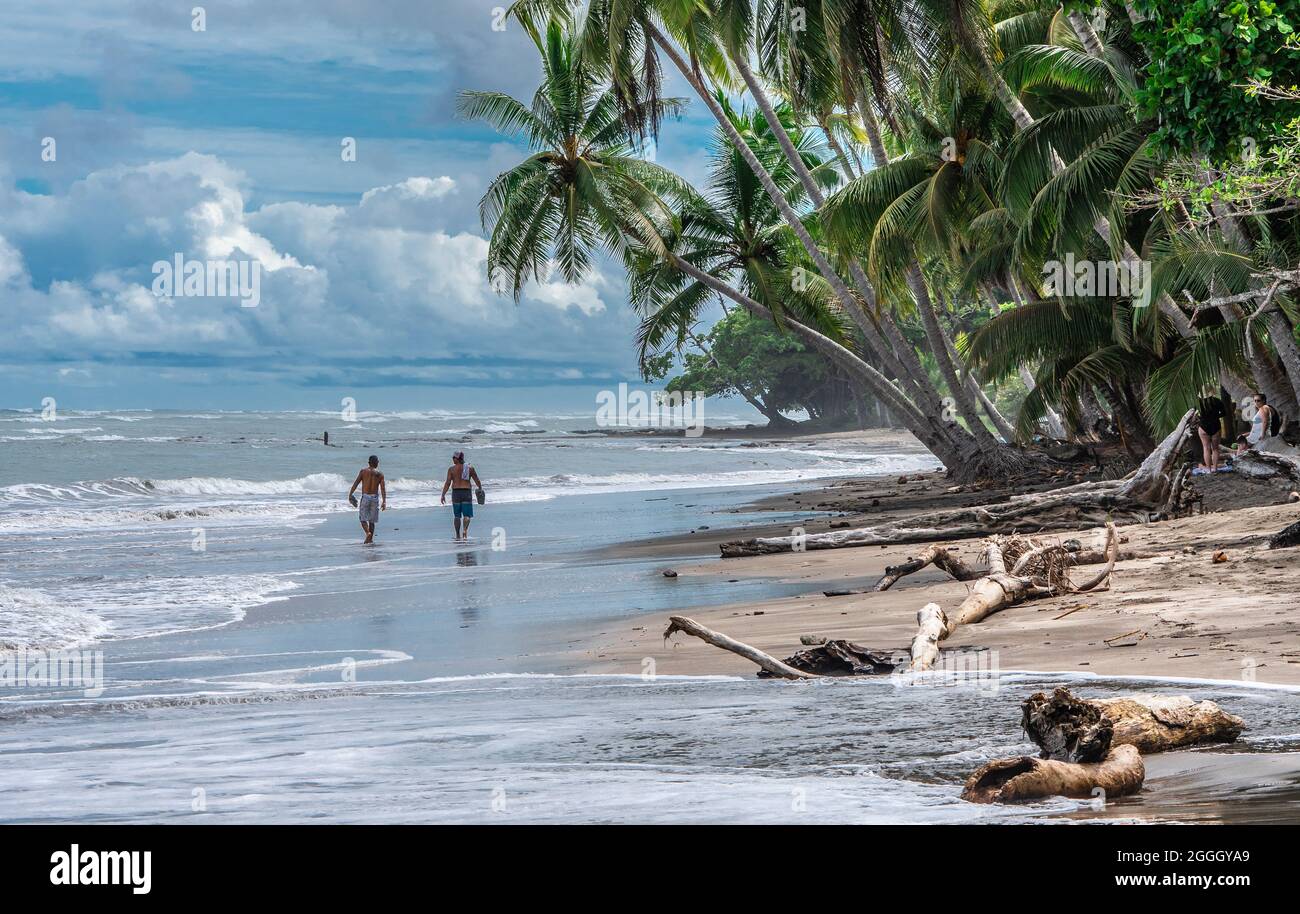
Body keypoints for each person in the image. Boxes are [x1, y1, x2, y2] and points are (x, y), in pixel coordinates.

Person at [440, 450, 483, 541]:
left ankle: (457, 534)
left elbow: (448, 483)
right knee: (466, 515)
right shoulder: (470, 468)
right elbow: (476, 479)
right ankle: (464, 531)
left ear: (458, 458)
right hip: (466, 492)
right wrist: (480, 488)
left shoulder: (451, 469)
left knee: (457, 516)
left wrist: (443, 494)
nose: (452, 459)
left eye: (454, 458)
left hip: (456, 493)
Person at [348, 455, 387, 545]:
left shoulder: (363, 472)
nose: (378, 463)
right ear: (376, 462)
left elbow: (356, 483)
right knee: (372, 521)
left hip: (365, 497)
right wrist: (384, 501)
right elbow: (382, 489)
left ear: (369, 463)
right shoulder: (380, 474)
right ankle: (370, 539)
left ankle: (367, 533)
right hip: (375, 498)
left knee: (362, 518)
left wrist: (350, 494)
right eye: (377, 462)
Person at [1196, 392, 1225, 473]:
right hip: (1215, 426)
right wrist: (1215, 416)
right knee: (1215, 449)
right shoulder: (1218, 401)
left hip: (1203, 427)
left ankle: (1208, 469)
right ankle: (1215, 468)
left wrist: (1201, 418)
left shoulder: (1199, 403)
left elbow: (1195, 414)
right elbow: (1224, 413)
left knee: (1206, 448)